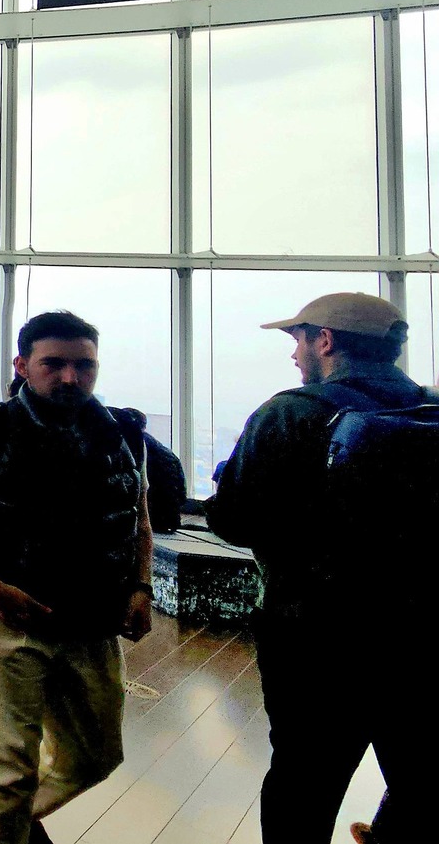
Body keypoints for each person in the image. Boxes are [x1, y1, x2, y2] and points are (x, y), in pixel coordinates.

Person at [0, 311, 153, 844]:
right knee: (6, 770)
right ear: (22, 365)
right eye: (54, 364)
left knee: (96, 756)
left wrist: (142, 587)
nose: (71, 377)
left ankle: (14, 826)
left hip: (92, 619)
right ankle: (6, 828)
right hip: (6, 618)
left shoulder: (124, 432)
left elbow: (138, 516)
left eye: (84, 365)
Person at [208, 293, 434, 844]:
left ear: (325, 340)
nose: (294, 355)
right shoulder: (431, 409)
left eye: (298, 339)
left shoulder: (290, 412)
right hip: (422, 635)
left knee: (304, 779)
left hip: (313, 637)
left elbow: (234, 521)